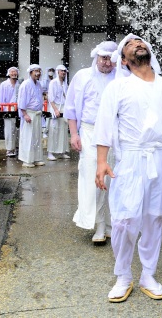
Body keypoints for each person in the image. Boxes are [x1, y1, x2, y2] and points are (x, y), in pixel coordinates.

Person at [94, 34, 162, 302]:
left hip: (160, 158)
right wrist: (102, 162)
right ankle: (123, 275)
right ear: (123, 60)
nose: (138, 43)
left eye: (141, 42)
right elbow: (104, 125)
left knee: (155, 217)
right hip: (132, 159)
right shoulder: (118, 88)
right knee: (125, 219)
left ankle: (148, 274)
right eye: (130, 44)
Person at [66, 41, 118, 243]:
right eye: (103, 58)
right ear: (96, 57)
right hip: (88, 132)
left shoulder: (121, 78)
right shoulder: (82, 76)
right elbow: (70, 108)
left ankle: (113, 224)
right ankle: (99, 225)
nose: (106, 63)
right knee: (93, 179)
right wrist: (74, 134)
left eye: (110, 59)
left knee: (113, 179)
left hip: (114, 133)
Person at [18, 64, 45, 168]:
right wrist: (24, 114)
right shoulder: (25, 84)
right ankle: (27, 160)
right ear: (30, 73)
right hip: (29, 113)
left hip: (37, 113)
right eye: (35, 71)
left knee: (36, 137)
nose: (38, 73)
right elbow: (21, 101)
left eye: (39, 71)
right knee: (27, 137)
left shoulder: (39, 85)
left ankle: (36, 158)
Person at [47, 65, 70, 161]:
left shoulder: (65, 84)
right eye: (62, 71)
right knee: (54, 130)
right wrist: (55, 109)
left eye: (65, 71)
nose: (63, 73)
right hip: (55, 107)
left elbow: (67, 96)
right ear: (58, 72)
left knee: (63, 131)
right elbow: (50, 98)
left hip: (64, 108)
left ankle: (62, 151)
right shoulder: (53, 83)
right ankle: (50, 152)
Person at [0, 67, 20, 157]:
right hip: (7, 108)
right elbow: (0, 97)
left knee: (18, 130)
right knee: (9, 130)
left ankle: (18, 147)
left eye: (15, 72)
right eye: (12, 72)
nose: (14, 73)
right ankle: (10, 149)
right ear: (8, 73)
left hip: (18, 109)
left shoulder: (20, 84)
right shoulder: (4, 84)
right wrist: (0, 107)